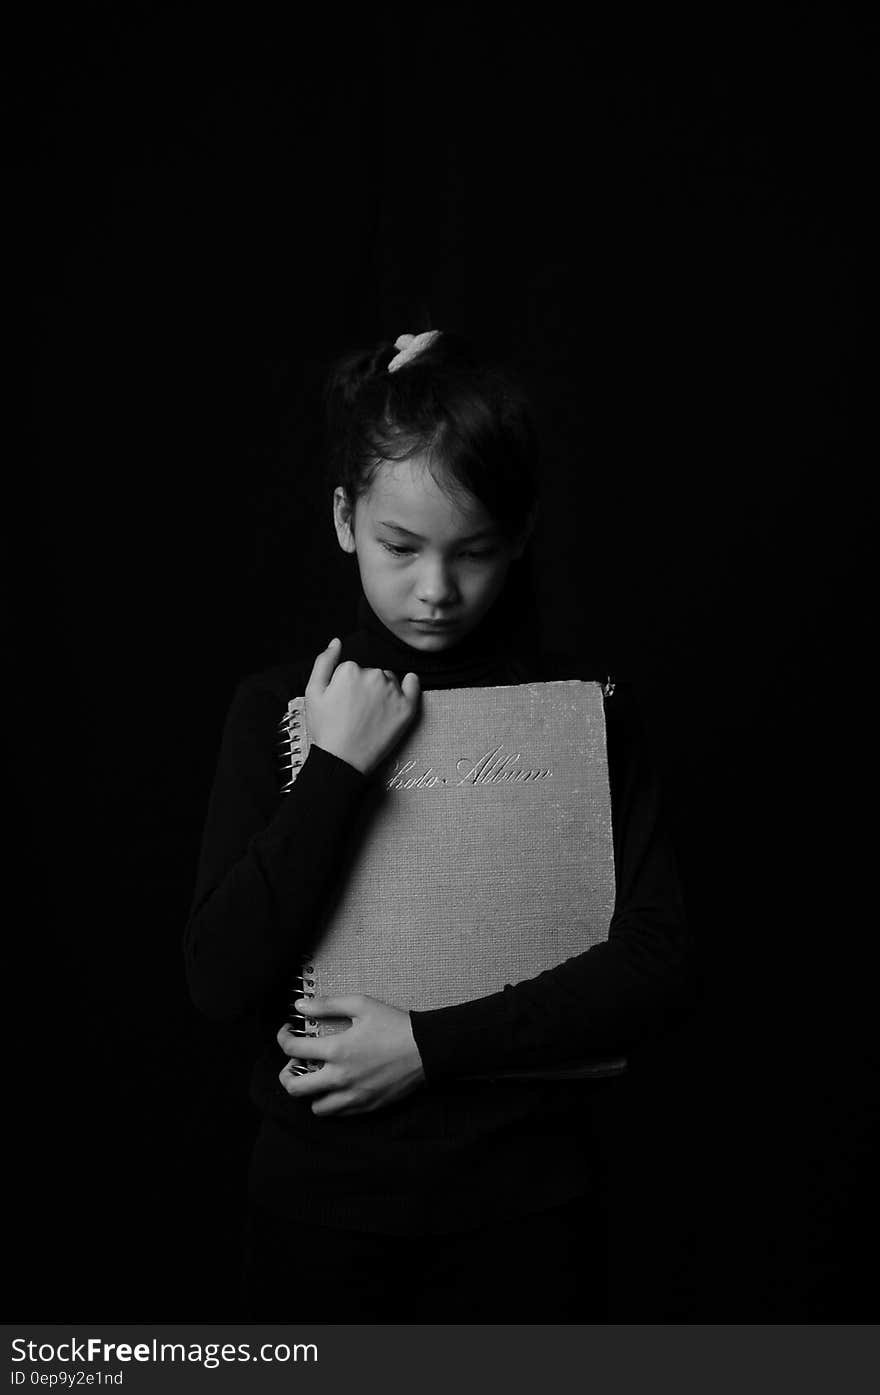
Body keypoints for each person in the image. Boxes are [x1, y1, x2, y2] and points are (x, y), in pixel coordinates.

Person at [183, 329, 689, 1322]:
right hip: (318, 1216)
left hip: (526, 1215)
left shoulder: (579, 711)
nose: (436, 589)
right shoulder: (281, 709)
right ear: (344, 519)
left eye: (476, 551)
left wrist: (427, 1045)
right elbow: (217, 977)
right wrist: (333, 768)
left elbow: (660, 962)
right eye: (400, 547)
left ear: (520, 535)